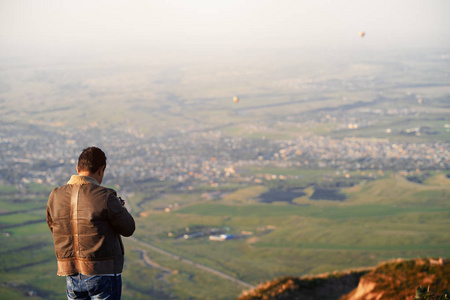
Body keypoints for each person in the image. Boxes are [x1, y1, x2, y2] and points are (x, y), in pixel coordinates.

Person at [47, 147, 135, 300]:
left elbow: (53, 226)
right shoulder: (105, 196)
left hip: (71, 272)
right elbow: (128, 228)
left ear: (77, 168)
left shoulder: (55, 195)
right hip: (103, 273)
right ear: (101, 170)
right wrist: (119, 205)